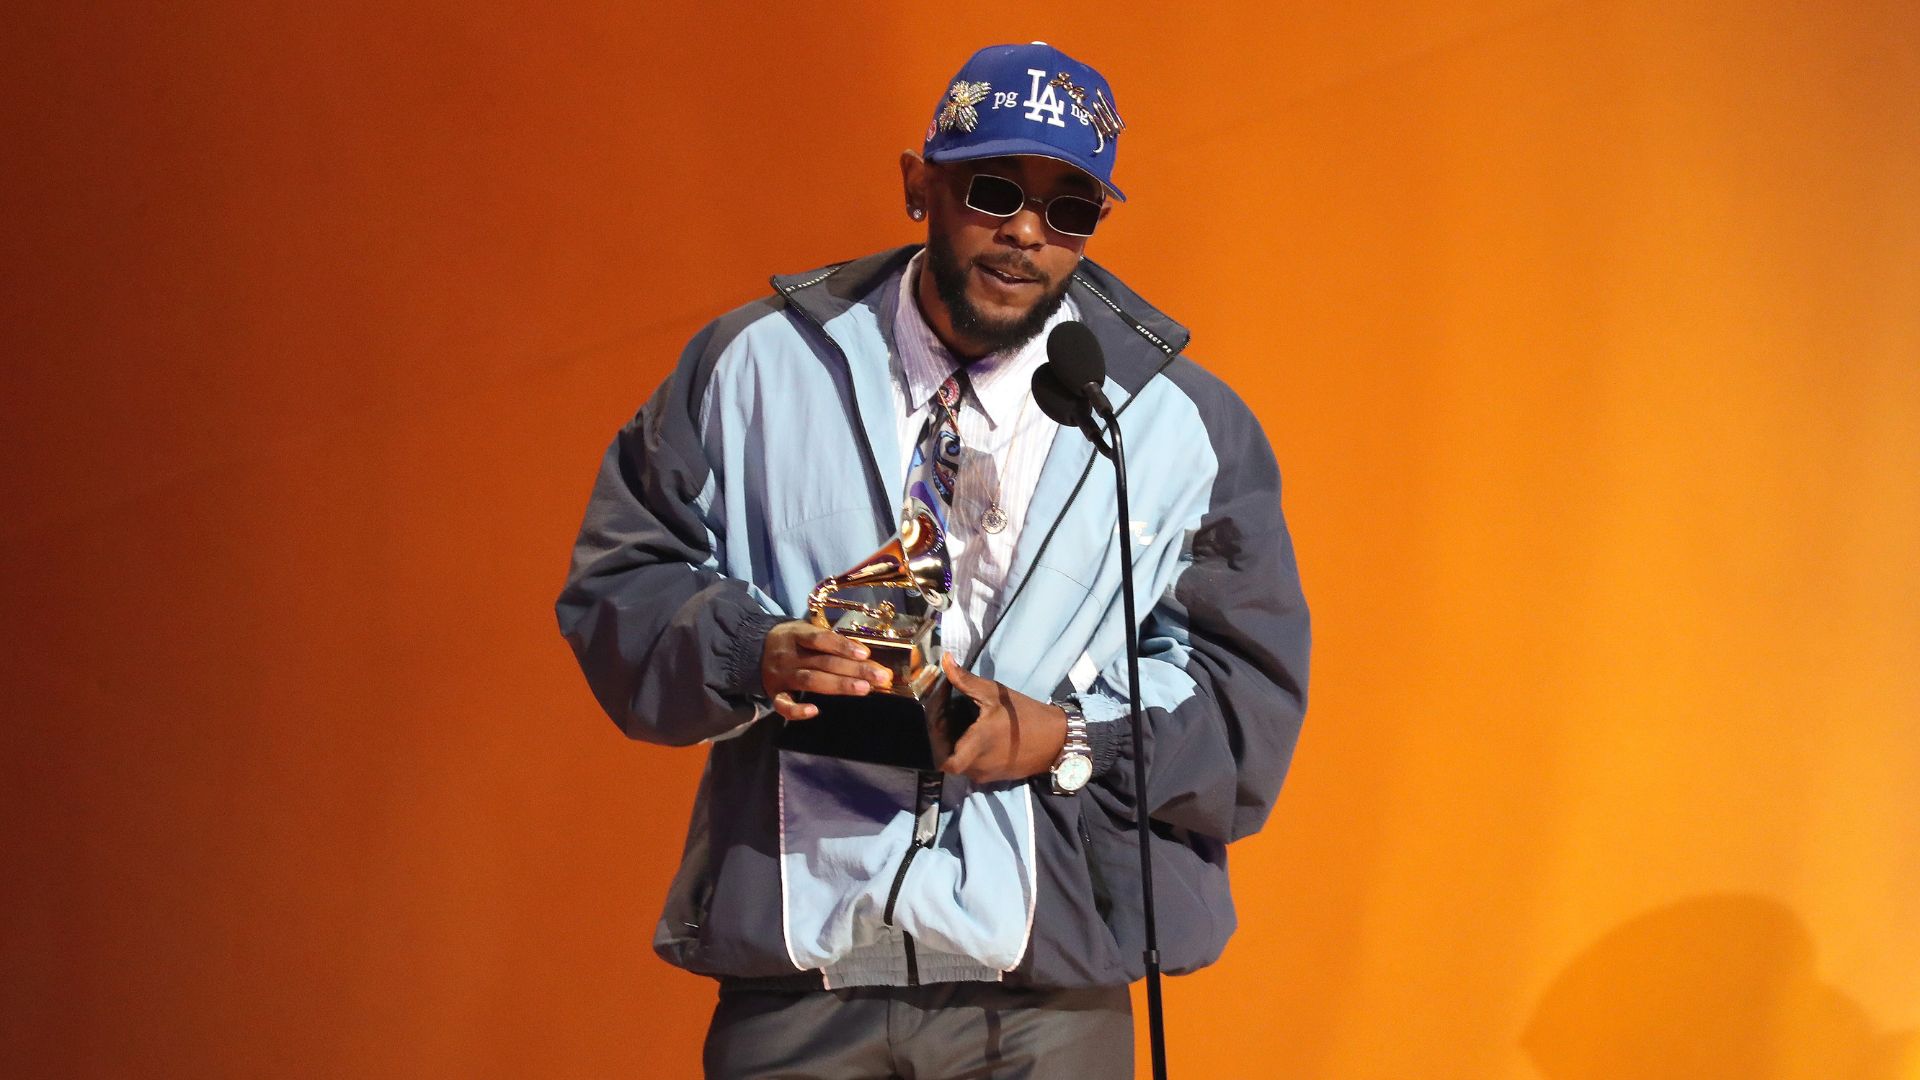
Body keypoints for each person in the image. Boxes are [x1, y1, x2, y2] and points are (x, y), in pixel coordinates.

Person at [557, 42, 1310, 1079]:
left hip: (1048, 991)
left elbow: (1244, 704)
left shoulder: (1177, 426)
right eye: (993, 189)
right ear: (920, 184)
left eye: (1070, 208)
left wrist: (1061, 738)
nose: (1025, 233)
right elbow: (621, 586)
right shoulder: (750, 369)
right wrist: (753, 653)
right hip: (803, 977)